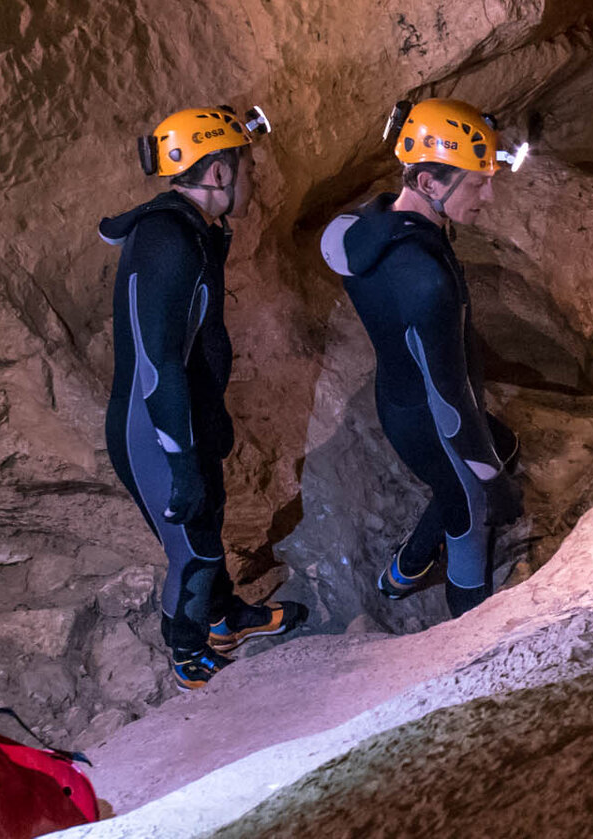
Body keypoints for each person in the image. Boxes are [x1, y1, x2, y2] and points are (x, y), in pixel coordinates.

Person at [101, 103, 307, 690]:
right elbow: (155, 362)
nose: (253, 176)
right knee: (193, 552)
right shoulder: (169, 241)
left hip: (180, 413)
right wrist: (180, 458)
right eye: (245, 164)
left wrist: (206, 419)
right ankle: (188, 657)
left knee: (207, 532)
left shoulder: (191, 229)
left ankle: (227, 621)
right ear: (217, 174)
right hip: (153, 425)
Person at [321, 98, 528, 620]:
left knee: (504, 445)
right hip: (431, 419)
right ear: (430, 183)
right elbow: (452, 404)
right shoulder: (426, 282)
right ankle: (469, 623)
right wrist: (492, 484)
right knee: (470, 509)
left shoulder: (358, 227)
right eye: (477, 181)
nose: (489, 193)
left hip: (399, 397)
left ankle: (405, 568)